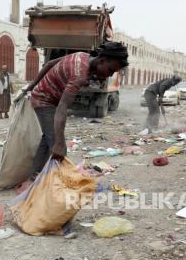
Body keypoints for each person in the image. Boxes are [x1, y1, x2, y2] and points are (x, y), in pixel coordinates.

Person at [26, 42, 129, 177]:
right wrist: (59, 142)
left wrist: (33, 84)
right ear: (102, 60)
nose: (108, 75)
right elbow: (63, 107)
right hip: (44, 100)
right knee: (58, 146)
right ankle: (58, 181)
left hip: (45, 97)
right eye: (110, 70)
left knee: (48, 137)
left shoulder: (82, 55)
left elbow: (49, 63)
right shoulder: (79, 74)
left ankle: (35, 174)